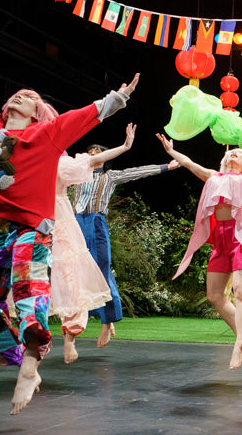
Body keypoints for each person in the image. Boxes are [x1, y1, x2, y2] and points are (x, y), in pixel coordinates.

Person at [0, 38, 138, 414]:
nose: (22, 95)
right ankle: (18, 354)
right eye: (18, 94)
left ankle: (30, 363)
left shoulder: (46, 136)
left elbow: (85, 115)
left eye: (30, 96)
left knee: (29, 291)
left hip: (34, 228)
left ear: (38, 113)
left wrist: (117, 99)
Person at [158, 135, 242, 369]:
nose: (233, 154)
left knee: (240, 292)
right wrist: (171, 151)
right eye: (230, 153)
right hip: (221, 240)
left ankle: (237, 346)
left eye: (239, 153)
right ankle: (241, 333)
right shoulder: (215, 178)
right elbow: (190, 164)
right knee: (214, 295)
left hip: (240, 238)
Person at [72, 131, 179, 348]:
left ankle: (107, 321)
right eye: (89, 152)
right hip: (76, 224)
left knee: (102, 269)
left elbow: (136, 172)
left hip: (96, 222)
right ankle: (105, 318)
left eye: (97, 152)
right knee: (83, 273)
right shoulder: (75, 176)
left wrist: (166, 166)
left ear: (105, 157)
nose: (92, 154)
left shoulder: (108, 177)